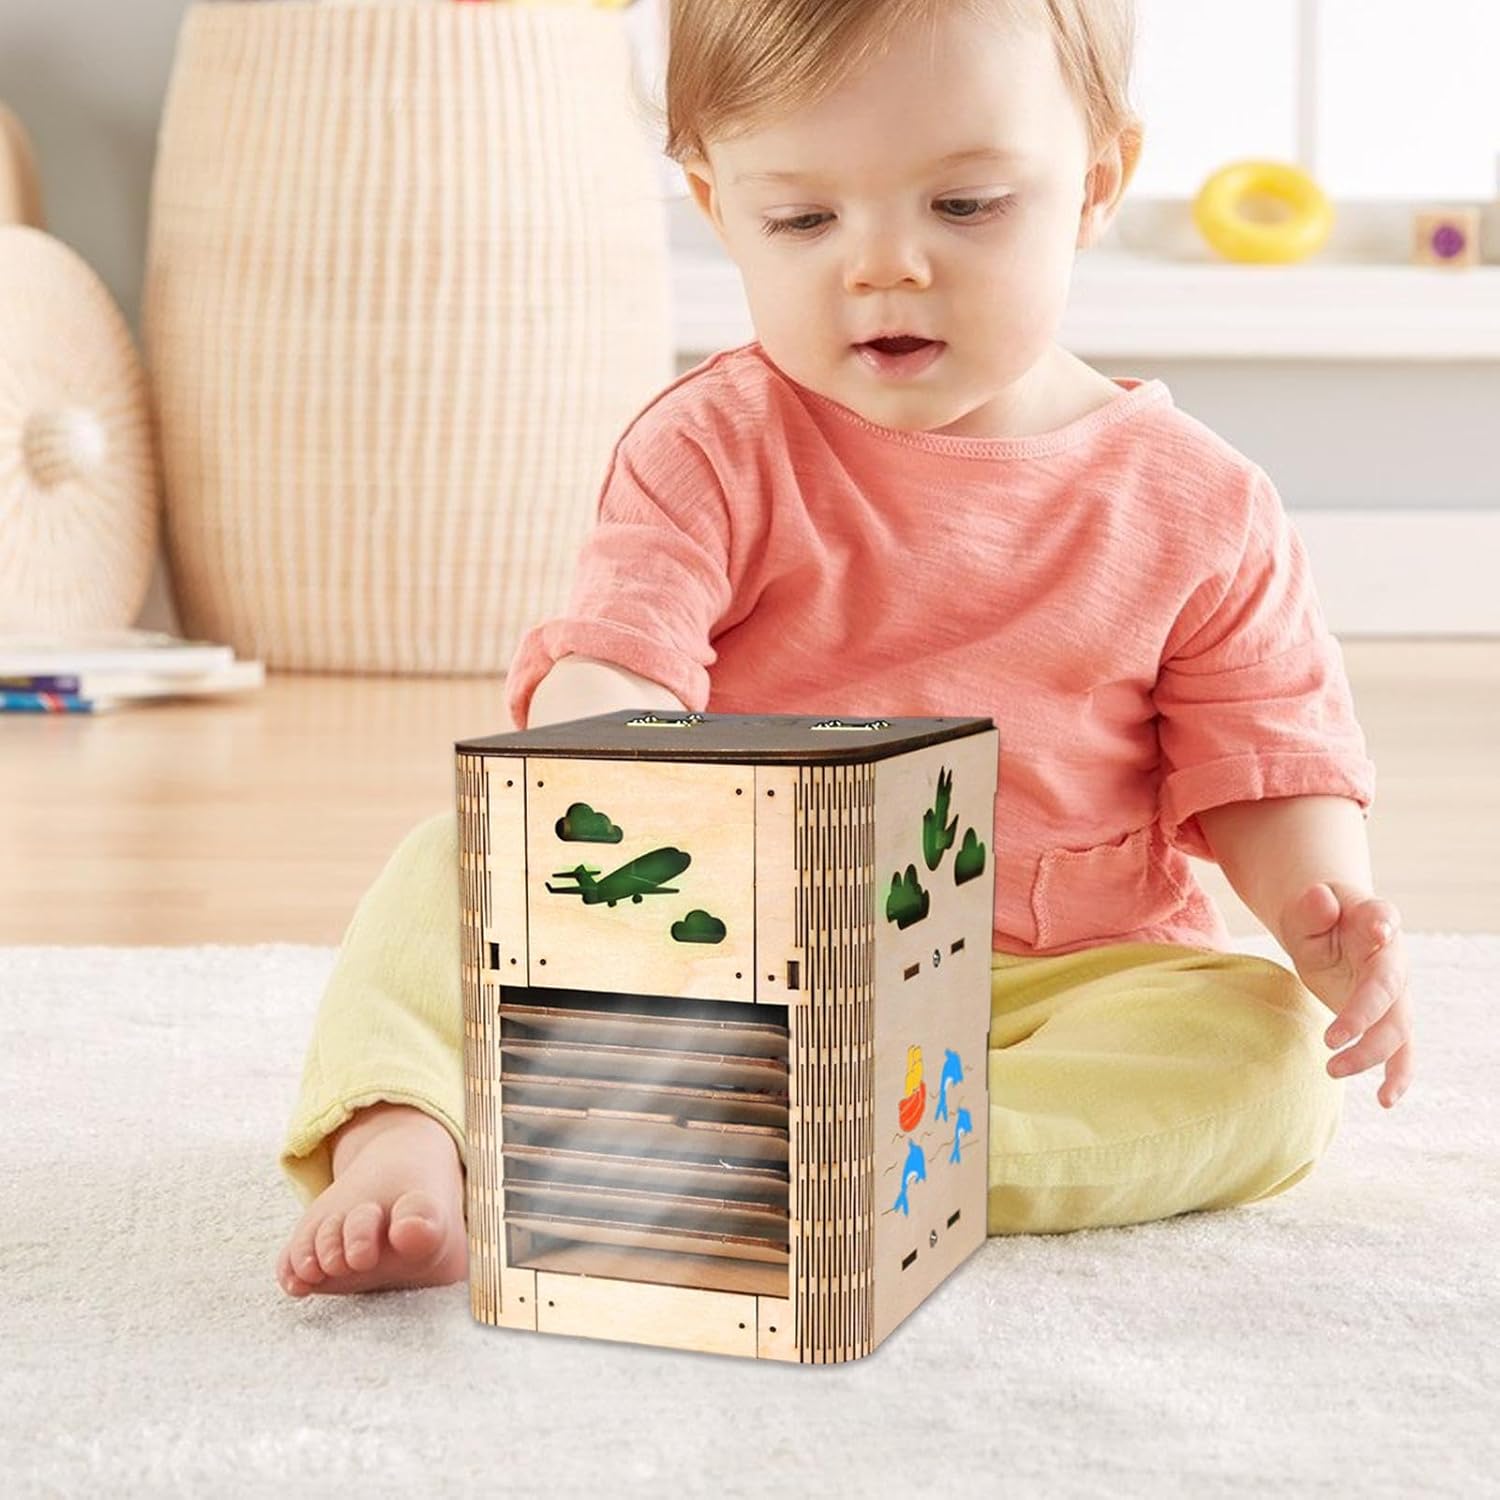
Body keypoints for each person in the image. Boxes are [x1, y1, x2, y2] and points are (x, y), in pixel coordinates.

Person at [275, 0, 1414, 1298]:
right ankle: (405, 1135)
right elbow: (621, 657)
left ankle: (833, 1160)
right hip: (734, 954)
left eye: (966, 206)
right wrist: (605, 773)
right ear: (719, 209)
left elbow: (1266, 764)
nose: (885, 267)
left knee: (1267, 1057)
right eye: (804, 220)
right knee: (446, 865)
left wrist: (1326, 915)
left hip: (1061, 981)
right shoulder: (712, 448)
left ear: (1097, 183)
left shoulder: (1203, 505)